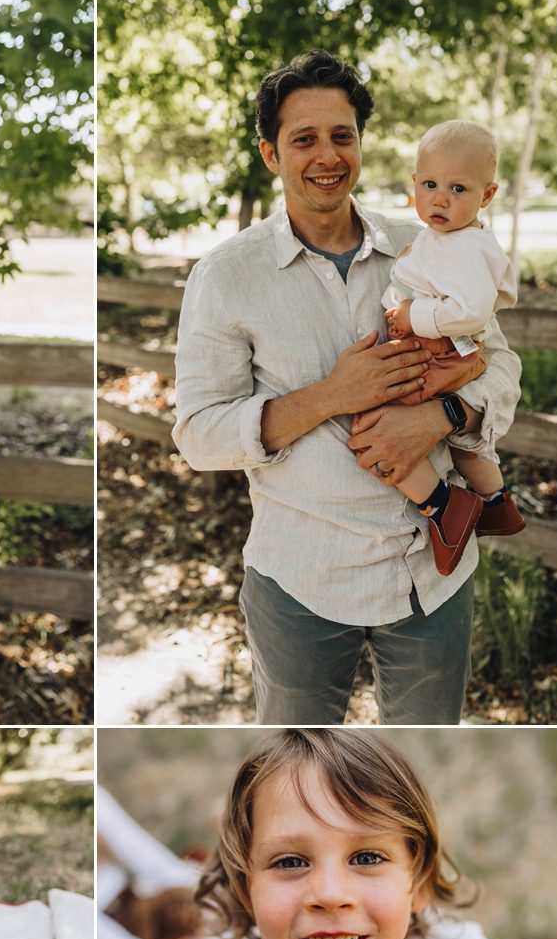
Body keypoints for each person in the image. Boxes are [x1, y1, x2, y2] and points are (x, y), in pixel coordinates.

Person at [173, 51, 520, 724]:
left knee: (422, 769)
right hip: (300, 578)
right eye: (304, 139)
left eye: (342, 136)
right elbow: (198, 434)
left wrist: (444, 415)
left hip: (432, 577)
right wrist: (332, 395)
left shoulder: (427, 245)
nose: (327, 156)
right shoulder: (226, 276)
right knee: (300, 769)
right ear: (271, 154)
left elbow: (500, 366)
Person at [180, 730, 547, 939]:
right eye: (290, 861)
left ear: (420, 885)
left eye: (367, 857)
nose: (329, 894)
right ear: (245, 891)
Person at [380, 120, 523, 572]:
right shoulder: (443, 237)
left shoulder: (463, 247)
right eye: (429, 184)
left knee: (376, 427)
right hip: (441, 350)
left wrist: (409, 316)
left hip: (436, 350)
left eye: (457, 187)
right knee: (463, 442)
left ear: (487, 195)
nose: (439, 198)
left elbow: (472, 311)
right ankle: (495, 501)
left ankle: (446, 507)